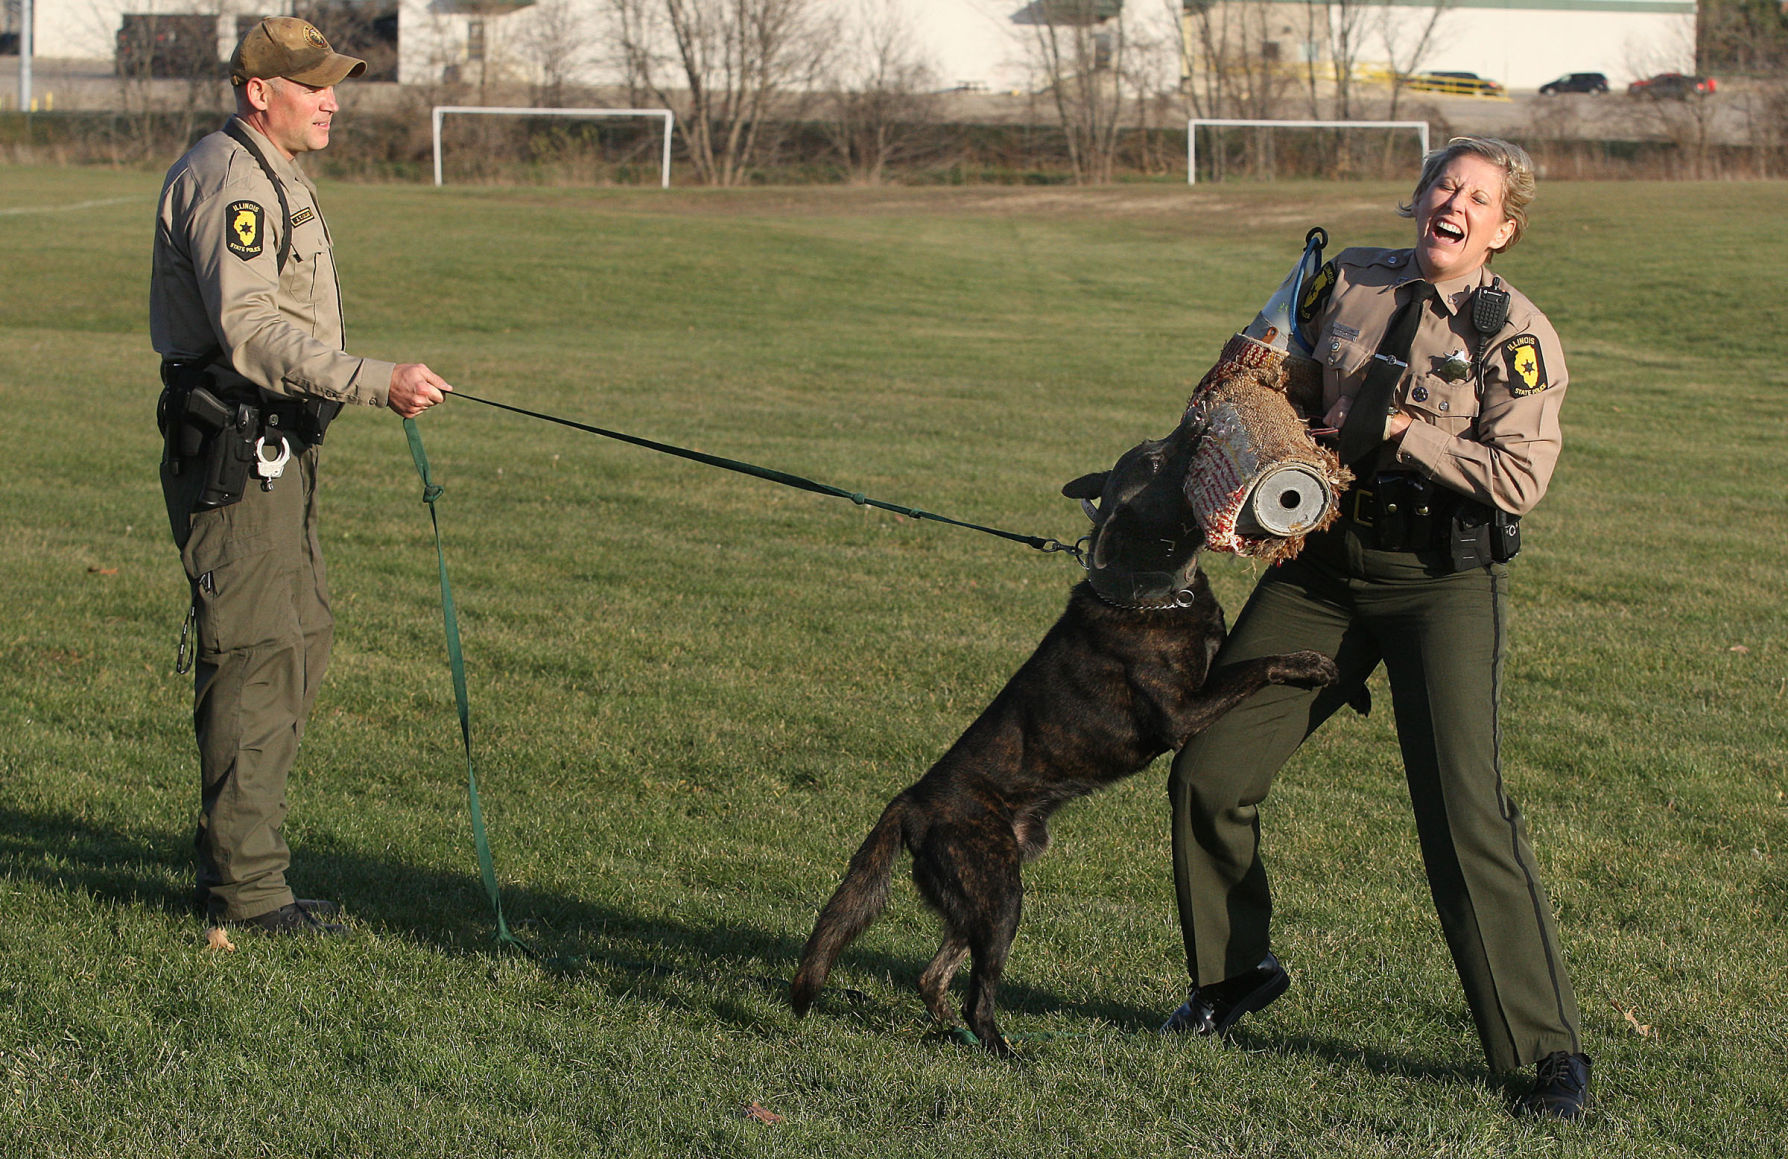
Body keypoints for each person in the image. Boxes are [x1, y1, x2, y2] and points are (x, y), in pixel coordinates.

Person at [1160, 137, 1591, 1119]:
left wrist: (1405, 430)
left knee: (1464, 814)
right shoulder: (1346, 277)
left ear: (1504, 228)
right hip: (1322, 564)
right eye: (1445, 182)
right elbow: (1290, 383)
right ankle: (1231, 976)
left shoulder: (1514, 335)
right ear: (1419, 195)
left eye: (1478, 196)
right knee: (1209, 769)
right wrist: (1264, 412)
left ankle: (1546, 1054)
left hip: (1440, 579)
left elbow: (1521, 477)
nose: (1455, 200)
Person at [151, 17, 451, 936]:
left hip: (279, 450)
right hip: (237, 459)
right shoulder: (233, 180)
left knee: (299, 641)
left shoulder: (277, 173)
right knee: (254, 655)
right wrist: (374, 382)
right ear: (258, 92)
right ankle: (247, 892)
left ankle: (249, 866)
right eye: (313, 85)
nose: (331, 100)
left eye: (333, 84)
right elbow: (249, 330)